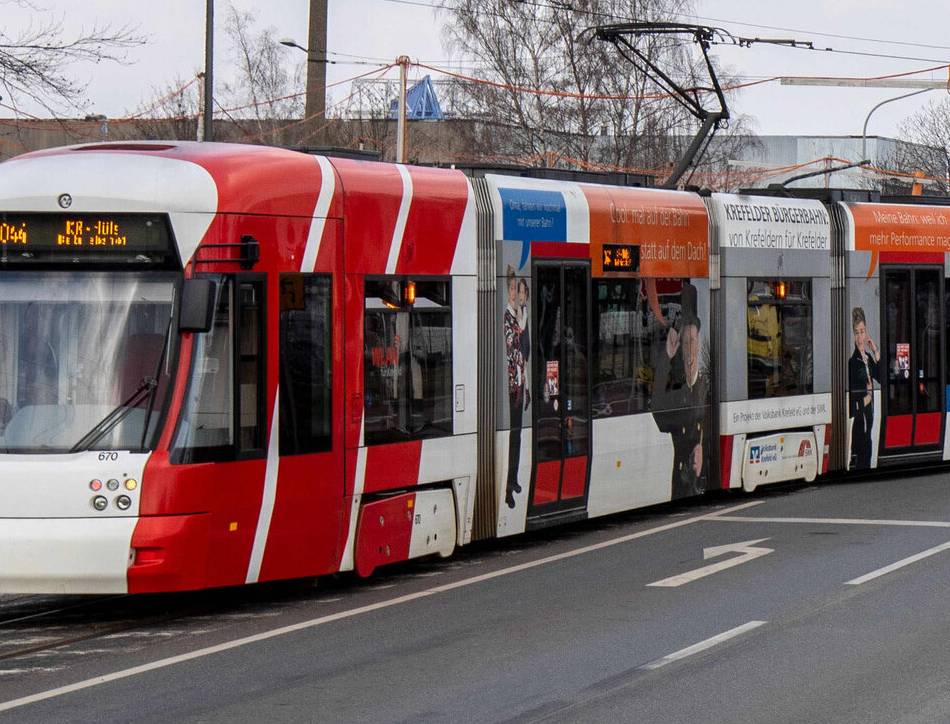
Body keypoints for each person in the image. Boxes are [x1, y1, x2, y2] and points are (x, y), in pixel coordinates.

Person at [652, 282, 706, 499]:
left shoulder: (707, 386)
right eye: (685, 343)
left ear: (699, 344)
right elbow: (657, 408)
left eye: (692, 341)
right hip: (679, 483)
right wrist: (666, 357)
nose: (690, 348)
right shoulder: (678, 393)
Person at [503, 268, 527, 508]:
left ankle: (514, 478)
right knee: (513, 433)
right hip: (513, 385)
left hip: (520, 383)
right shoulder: (508, 317)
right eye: (511, 289)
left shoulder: (518, 316)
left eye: (517, 289)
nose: (514, 293)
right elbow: (512, 347)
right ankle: (509, 484)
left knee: (518, 433)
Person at [848, 306, 879, 469]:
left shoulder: (867, 358)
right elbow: (850, 404)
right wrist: (865, 399)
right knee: (862, 460)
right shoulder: (853, 363)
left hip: (868, 426)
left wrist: (876, 352)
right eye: (857, 332)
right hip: (860, 425)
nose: (860, 337)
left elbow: (880, 378)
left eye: (862, 331)